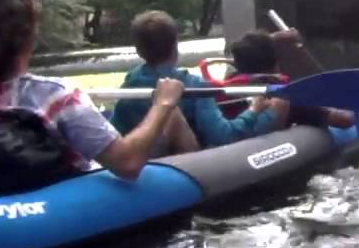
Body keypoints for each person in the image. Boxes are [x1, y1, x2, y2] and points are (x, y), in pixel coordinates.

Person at [0, 0, 196, 183]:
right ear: (30, 36)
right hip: (66, 209)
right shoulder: (58, 96)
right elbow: (127, 164)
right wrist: (163, 103)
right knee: (171, 119)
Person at [110, 11, 288, 148]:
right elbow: (223, 136)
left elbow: (115, 132)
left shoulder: (129, 85)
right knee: (280, 105)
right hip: (182, 162)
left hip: (146, 154)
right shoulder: (195, 85)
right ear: (175, 46)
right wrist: (254, 110)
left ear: (139, 51)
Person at [224, 29, 356, 129]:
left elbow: (247, 49)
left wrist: (278, 37)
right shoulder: (285, 97)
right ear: (276, 63)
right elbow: (345, 120)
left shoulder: (226, 86)